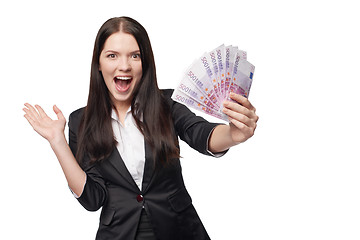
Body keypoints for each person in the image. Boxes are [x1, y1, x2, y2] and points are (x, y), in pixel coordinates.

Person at [23, 16, 258, 240]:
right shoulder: (80, 121)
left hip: (179, 229)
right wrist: (57, 142)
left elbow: (200, 132)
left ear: (145, 63)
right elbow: (92, 199)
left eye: (134, 56)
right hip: (119, 233)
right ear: (98, 63)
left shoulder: (167, 104)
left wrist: (233, 135)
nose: (124, 66)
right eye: (112, 55)